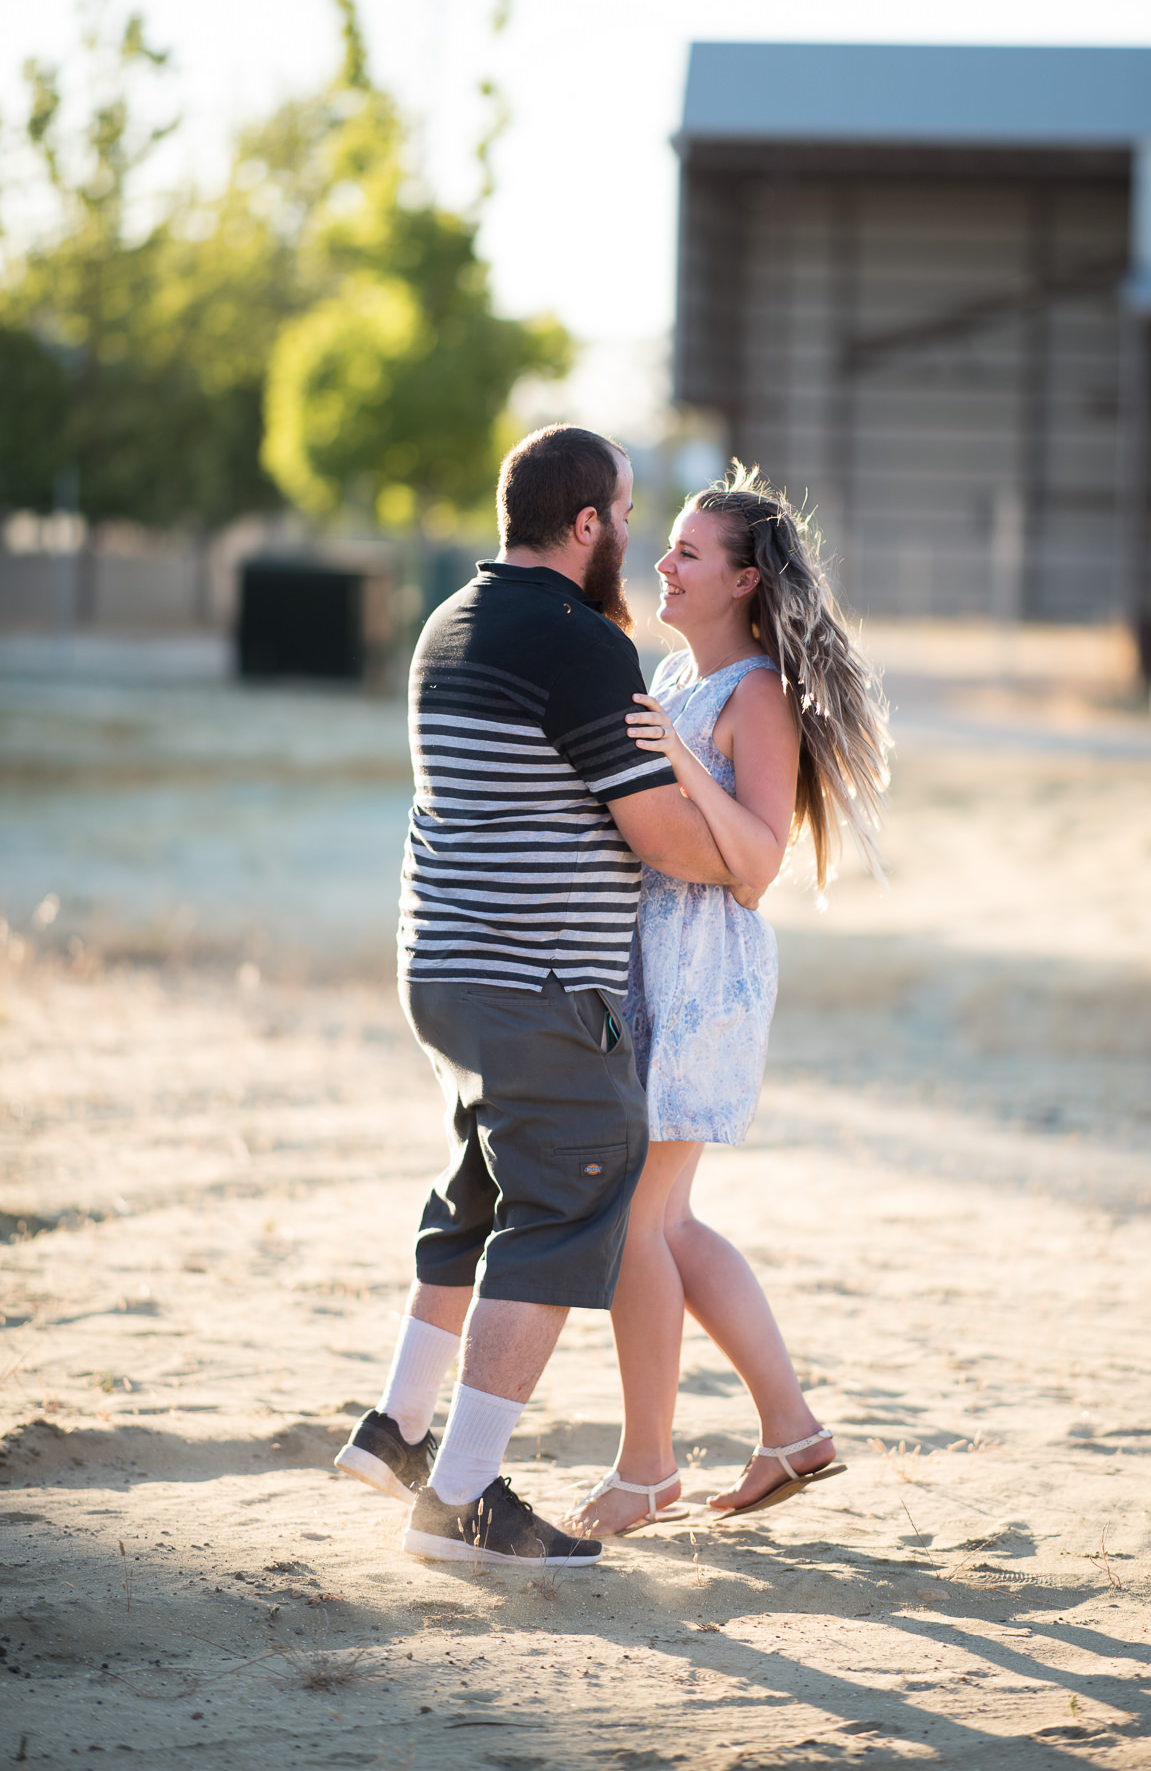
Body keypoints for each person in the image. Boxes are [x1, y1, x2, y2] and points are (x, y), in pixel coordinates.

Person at [334, 424, 747, 1571]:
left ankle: (399, 1429)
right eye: (625, 512)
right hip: (540, 983)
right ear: (586, 524)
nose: (634, 534)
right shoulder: (577, 643)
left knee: (477, 1178)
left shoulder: (449, 622)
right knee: (575, 1190)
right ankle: (461, 1501)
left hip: (442, 970)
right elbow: (660, 835)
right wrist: (748, 856)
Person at [565, 464, 890, 1538]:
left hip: (704, 970)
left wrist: (680, 763)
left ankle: (646, 1465)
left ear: (743, 580)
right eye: (665, 544)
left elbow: (754, 864)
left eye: (688, 552)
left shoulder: (754, 692)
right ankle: (790, 1429)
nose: (662, 560)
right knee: (667, 1219)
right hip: (648, 963)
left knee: (633, 1223)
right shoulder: (675, 675)